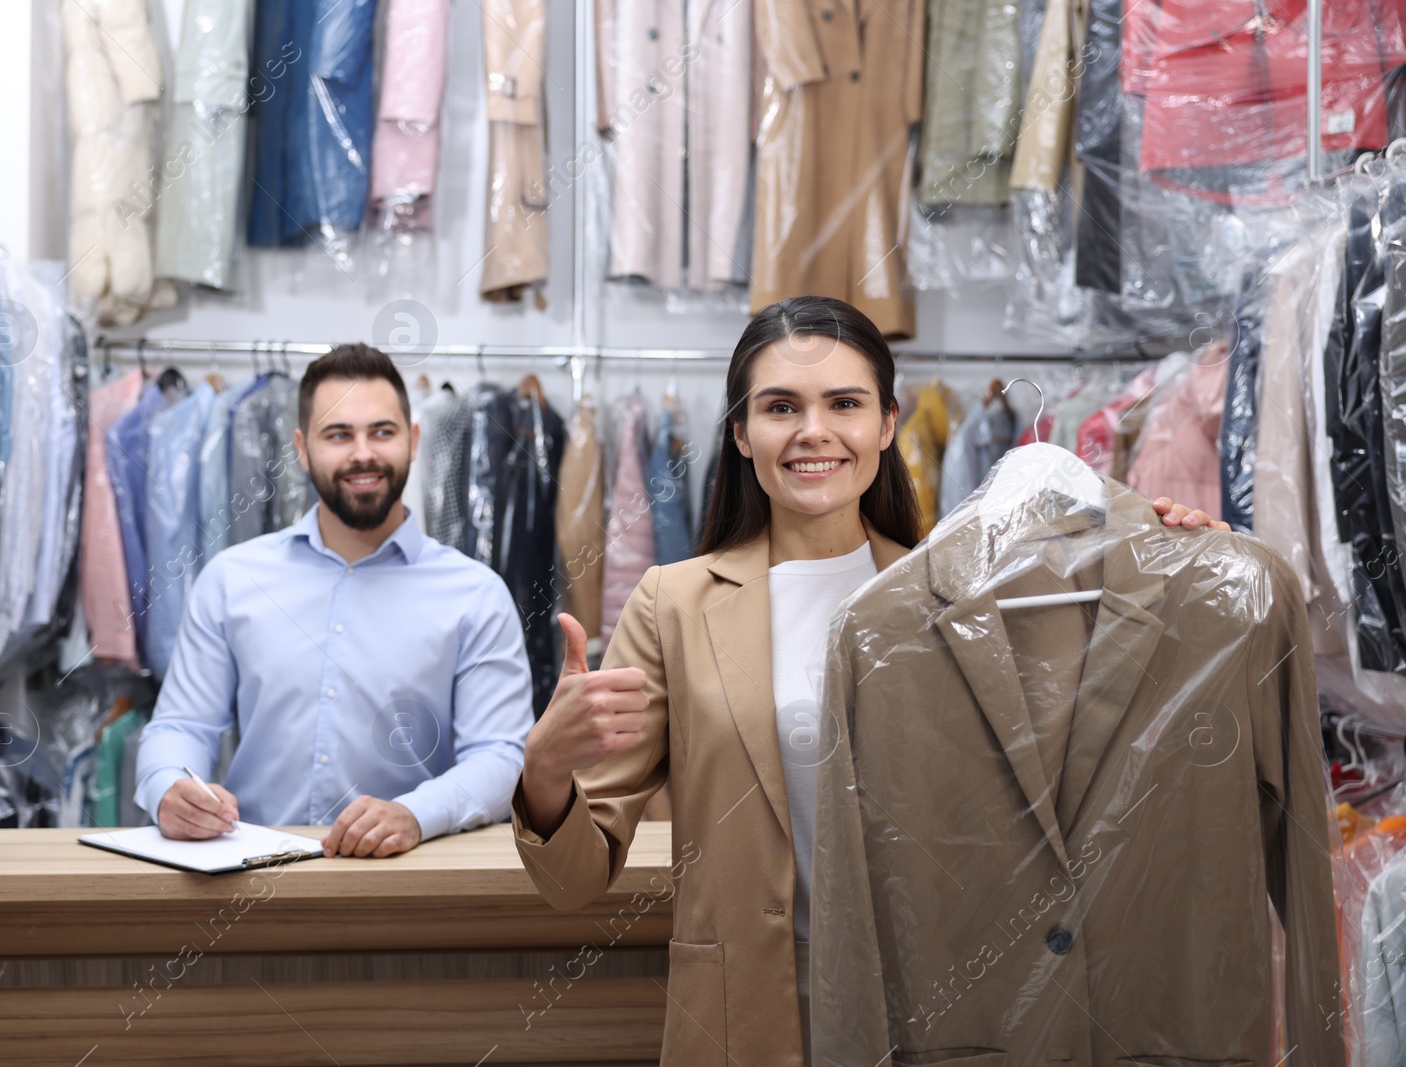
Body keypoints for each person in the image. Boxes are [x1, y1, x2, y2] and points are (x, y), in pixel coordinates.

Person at [509, 296, 1226, 1066]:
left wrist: (1176, 569)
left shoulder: (971, 590)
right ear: (743, 434)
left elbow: (1091, 762)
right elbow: (574, 879)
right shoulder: (673, 604)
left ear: (885, 424)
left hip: (931, 1011)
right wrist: (546, 767)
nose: (813, 430)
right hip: (746, 1015)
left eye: (843, 404)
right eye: (781, 406)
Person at [134, 344, 533, 858]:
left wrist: (417, 813)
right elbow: (181, 726)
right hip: (248, 878)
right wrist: (169, 786)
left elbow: (503, 755)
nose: (362, 453)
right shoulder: (232, 581)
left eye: (382, 432)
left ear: (413, 442)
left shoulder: (477, 596)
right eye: (338, 434)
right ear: (302, 448)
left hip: (412, 882)